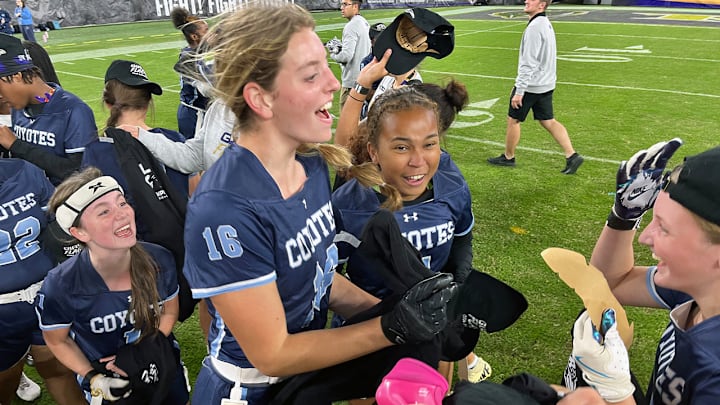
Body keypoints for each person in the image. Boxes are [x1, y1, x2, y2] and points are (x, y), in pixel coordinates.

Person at [182, 4, 456, 404]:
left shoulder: (308, 163)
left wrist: (411, 314)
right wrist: (388, 327)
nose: (332, 83)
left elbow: (317, 276)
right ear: (261, 98)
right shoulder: (225, 209)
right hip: (249, 390)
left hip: (304, 382)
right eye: (312, 74)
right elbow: (272, 353)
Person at [335, 84, 491, 384]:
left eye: (429, 144)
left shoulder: (452, 187)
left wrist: (454, 290)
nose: (418, 160)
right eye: (402, 147)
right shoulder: (350, 206)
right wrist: (386, 316)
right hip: (371, 334)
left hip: (435, 329)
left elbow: (462, 239)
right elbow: (325, 277)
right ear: (374, 151)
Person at [556, 139, 720, 404]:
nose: (645, 237)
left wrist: (617, 393)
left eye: (664, 228)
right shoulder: (700, 287)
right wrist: (624, 218)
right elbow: (612, 283)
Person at [36, 167, 189, 404]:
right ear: (79, 232)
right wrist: (93, 377)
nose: (122, 214)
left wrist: (145, 351)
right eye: (104, 211)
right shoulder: (61, 285)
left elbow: (169, 311)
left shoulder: (159, 259)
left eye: (121, 203)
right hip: (108, 382)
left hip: (159, 363)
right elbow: (57, 340)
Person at [0, 158, 85, 405]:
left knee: (59, 371)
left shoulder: (25, 171)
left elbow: (57, 226)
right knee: (4, 384)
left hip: (46, 296)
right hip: (3, 311)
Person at [487, 0, 583, 175]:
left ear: (542, 5)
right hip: (546, 83)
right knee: (548, 121)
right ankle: (572, 155)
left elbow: (528, 63)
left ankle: (508, 157)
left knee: (513, 119)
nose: (526, 1)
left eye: (531, 0)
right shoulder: (545, 23)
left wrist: (519, 90)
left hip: (532, 85)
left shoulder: (534, 28)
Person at [0, 33, 98, 186]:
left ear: (17, 76)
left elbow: (84, 173)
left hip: (66, 204)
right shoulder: (18, 107)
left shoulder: (74, 111)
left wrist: (16, 145)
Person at [97, 59, 191, 197]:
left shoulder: (98, 151)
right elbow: (196, 195)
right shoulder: (176, 140)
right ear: (148, 102)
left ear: (107, 103)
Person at [171, 7, 210, 139]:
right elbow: (207, 90)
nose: (211, 34)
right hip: (194, 113)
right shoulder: (189, 57)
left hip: (202, 112)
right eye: (206, 31)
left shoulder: (202, 52)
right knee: (197, 156)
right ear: (194, 36)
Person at [327, 0, 370, 108]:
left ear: (355, 6)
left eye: (345, 4)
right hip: (364, 79)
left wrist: (333, 53)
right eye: (341, 4)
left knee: (347, 122)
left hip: (351, 83)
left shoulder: (351, 26)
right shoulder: (364, 22)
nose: (341, 7)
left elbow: (346, 56)